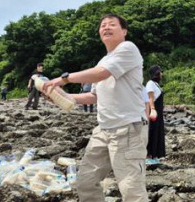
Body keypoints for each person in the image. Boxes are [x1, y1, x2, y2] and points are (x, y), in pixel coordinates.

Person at [42, 14, 149, 202]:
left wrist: (65, 79)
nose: (106, 27)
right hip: (103, 130)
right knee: (86, 181)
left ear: (124, 31)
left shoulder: (128, 48)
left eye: (112, 24)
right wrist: (63, 97)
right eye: (103, 25)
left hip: (128, 129)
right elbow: (94, 97)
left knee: (131, 188)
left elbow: (102, 74)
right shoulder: (102, 60)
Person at [146, 65, 165, 165]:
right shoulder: (150, 83)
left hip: (159, 112)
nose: (161, 74)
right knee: (152, 132)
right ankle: (149, 156)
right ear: (156, 73)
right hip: (154, 112)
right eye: (160, 72)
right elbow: (150, 98)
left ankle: (155, 155)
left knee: (158, 132)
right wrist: (152, 110)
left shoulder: (157, 85)